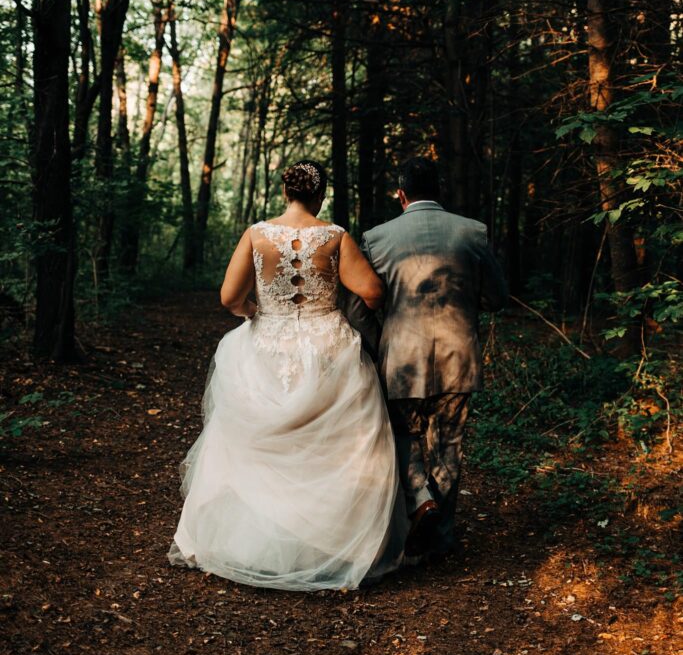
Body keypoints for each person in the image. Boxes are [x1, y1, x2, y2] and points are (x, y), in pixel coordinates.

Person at [167, 160, 406, 591]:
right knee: (330, 443)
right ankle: (327, 548)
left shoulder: (258, 235)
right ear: (321, 195)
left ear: (284, 191)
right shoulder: (334, 237)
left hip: (268, 341)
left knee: (259, 444)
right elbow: (371, 290)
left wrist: (254, 313)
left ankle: (254, 547)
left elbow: (229, 297)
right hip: (326, 343)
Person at [347, 156, 508, 558]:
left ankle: (419, 500)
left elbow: (362, 305)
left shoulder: (378, 237)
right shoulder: (472, 232)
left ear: (401, 195)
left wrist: (374, 343)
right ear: (439, 192)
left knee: (403, 435)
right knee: (449, 444)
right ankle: (441, 538)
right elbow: (497, 298)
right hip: (459, 356)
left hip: (401, 358)